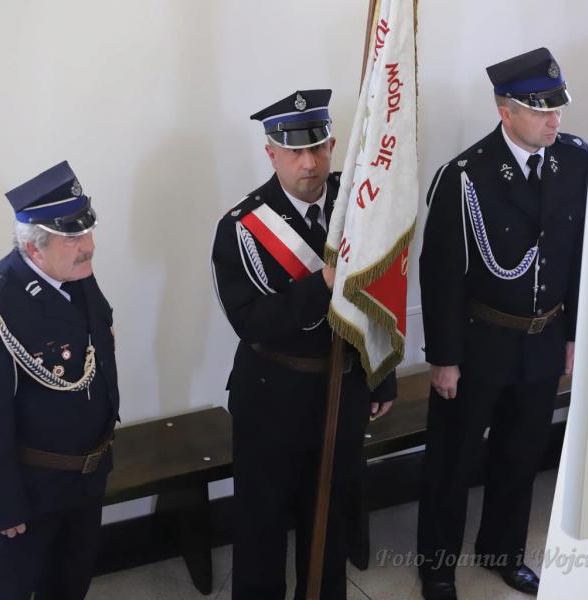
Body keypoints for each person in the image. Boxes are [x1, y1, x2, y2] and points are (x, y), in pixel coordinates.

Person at [417, 48, 588, 600]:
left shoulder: (575, 160)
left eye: (557, 107)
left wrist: (572, 334)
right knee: (453, 460)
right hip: (480, 342)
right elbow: (440, 275)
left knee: (520, 455)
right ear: (505, 111)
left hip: (543, 339)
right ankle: (437, 567)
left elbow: (579, 255)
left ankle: (503, 552)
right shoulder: (465, 176)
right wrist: (444, 358)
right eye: (540, 109)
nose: (554, 119)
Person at [212, 89, 397, 600]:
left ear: (332, 145)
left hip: (344, 388)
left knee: (331, 518)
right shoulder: (242, 228)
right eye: (294, 151)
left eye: (317, 148)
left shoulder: (359, 206)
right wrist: (322, 285)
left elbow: (381, 296)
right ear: (271, 153)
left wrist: (382, 373)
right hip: (272, 394)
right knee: (262, 524)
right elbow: (253, 323)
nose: (309, 163)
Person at [0, 161, 120, 600]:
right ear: (34, 247)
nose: (89, 246)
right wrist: (1, 504)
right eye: (73, 238)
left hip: (87, 475)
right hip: (31, 489)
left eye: (88, 231)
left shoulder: (76, 276)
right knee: (8, 589)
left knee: (70, 583)